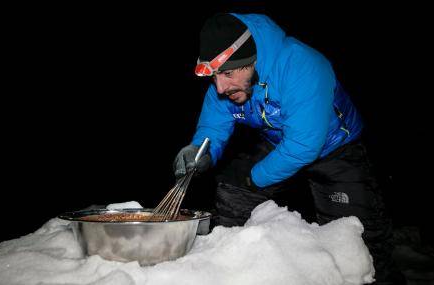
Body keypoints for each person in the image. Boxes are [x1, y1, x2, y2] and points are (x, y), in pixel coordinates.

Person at [173, 13, 405, 284]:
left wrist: (255, 177)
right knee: (232, 190)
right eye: (214, 77)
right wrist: (199, 152)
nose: (220, 87)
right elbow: (213, 128)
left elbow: (303, 145)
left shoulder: (302, 65)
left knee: (362, 243)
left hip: (334, 149)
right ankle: (234, 266)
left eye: (226, 73)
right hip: (276, 141)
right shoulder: (226, 84)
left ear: (252, 60)